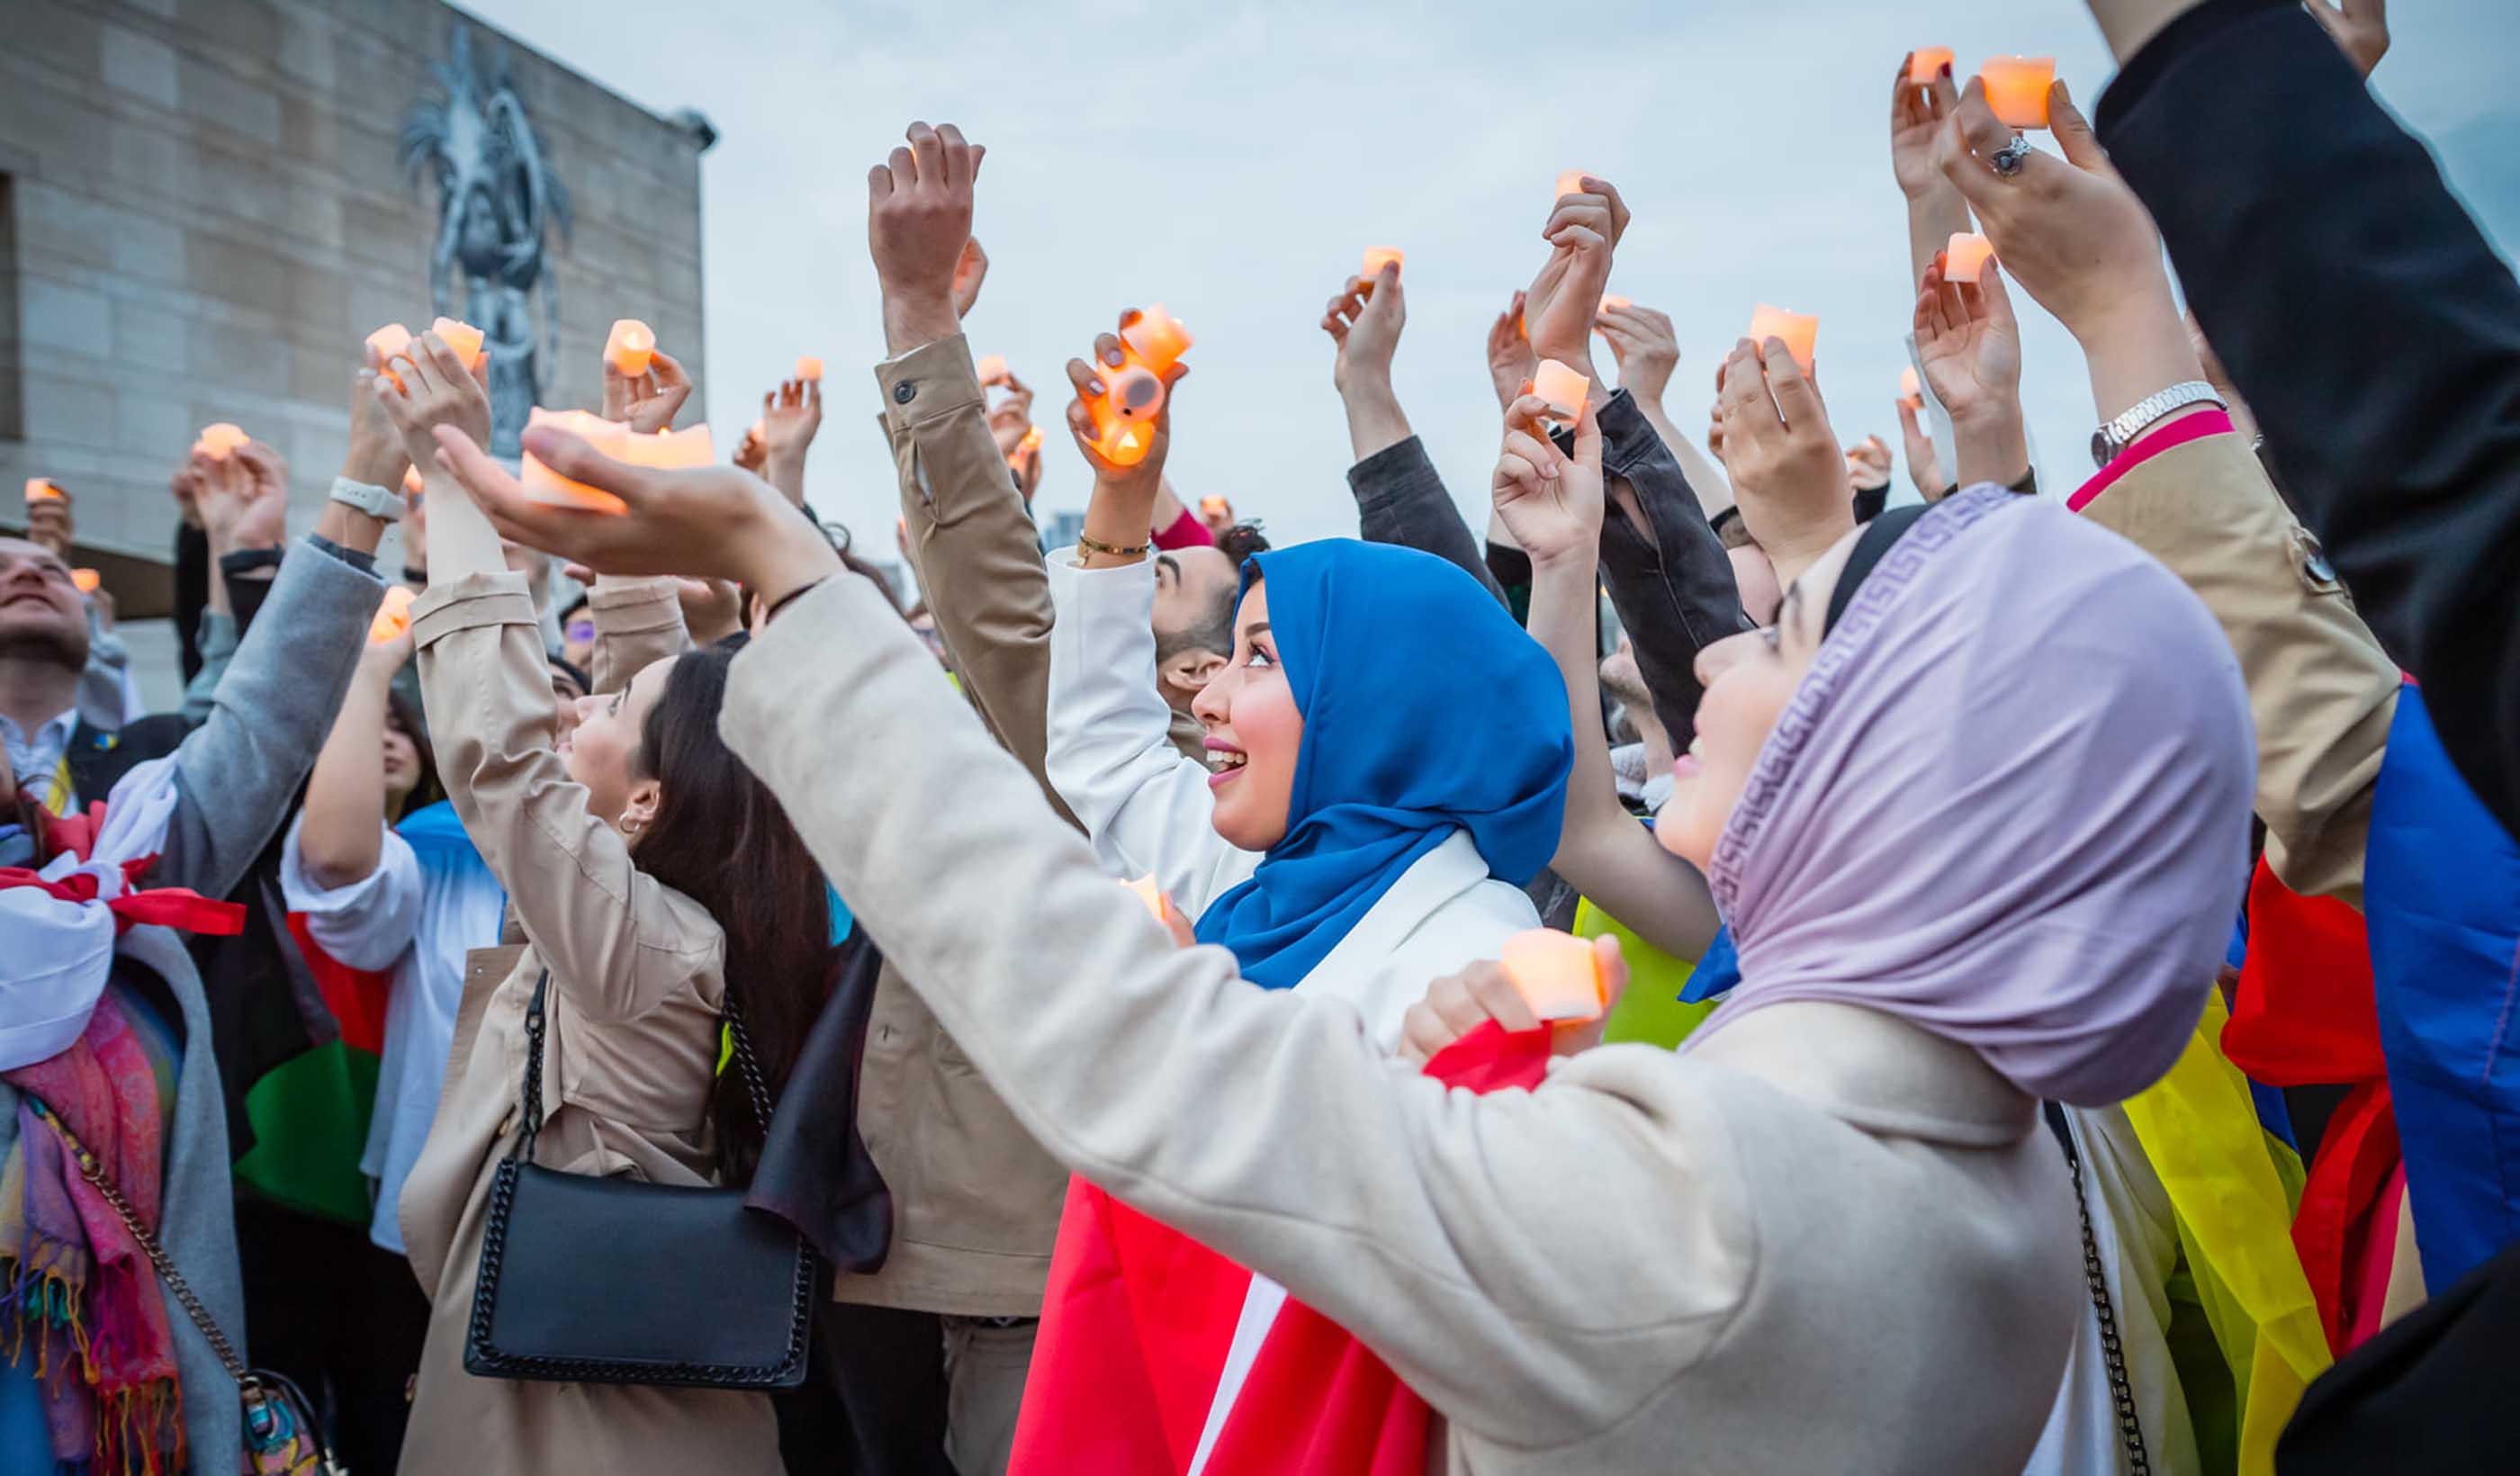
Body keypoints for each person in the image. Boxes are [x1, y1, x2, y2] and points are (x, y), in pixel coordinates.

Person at [439, 287, 2256, 1468]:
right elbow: (1105, 762)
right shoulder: (1962, 1168)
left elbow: (1152, 1058)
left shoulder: (1710, 1211)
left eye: (1782, 634)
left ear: (1920, 781)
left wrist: (791, 573)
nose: (1709, 652)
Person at [373, 328, 831, 1476]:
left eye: (604, 709)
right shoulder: (677, 913)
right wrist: (625, 472)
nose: (577, 706)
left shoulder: (640, 939)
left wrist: (454, 474)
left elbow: (500, 757)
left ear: (648, 801)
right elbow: (673, 704)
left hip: (585, 1423)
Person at [0, 453, 389, 1473]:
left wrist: (368, 476)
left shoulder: (120, 853)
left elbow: (258, 714)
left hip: (136, 1417)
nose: (24, 573)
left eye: (41, 567)